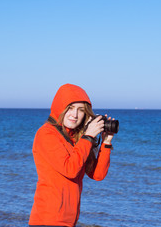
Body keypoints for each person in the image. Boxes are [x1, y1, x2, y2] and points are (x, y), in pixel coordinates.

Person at [29, 83, 115, 227]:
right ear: (59, 107)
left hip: (69, 221)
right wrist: (88, 137)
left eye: (80, 110)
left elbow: (97, 174)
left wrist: (106, 143)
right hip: (47, 220)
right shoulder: (46, 134)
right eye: (70, 108)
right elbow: (70, 169)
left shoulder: (77, 139)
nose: (74, 115)